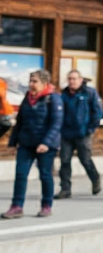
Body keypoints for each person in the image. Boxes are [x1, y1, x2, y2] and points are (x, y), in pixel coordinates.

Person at [5, 70, 64, 219]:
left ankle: (46, 205)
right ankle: (17, 206)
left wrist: (46, 142)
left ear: (44, 83)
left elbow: (56, 123)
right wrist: (13, 142)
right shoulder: (28, 97)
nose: (31, 84)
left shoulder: (53, 99)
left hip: (45, 145)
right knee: (20, 174)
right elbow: (20, 121)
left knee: (45, 175)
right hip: (26, 143)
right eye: (30, 81)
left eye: (35, 81)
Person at [58, 70, 103, 198]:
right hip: (66, 133)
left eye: (74, 79)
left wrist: (90, 129)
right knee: (64, 161)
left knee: (85, 160)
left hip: (83, 133)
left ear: (80, 80)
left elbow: (98, 112)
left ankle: (95, 178)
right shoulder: (64, 94)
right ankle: (65, 189)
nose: (71, 81)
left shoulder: (89, 93)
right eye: (69, 79)